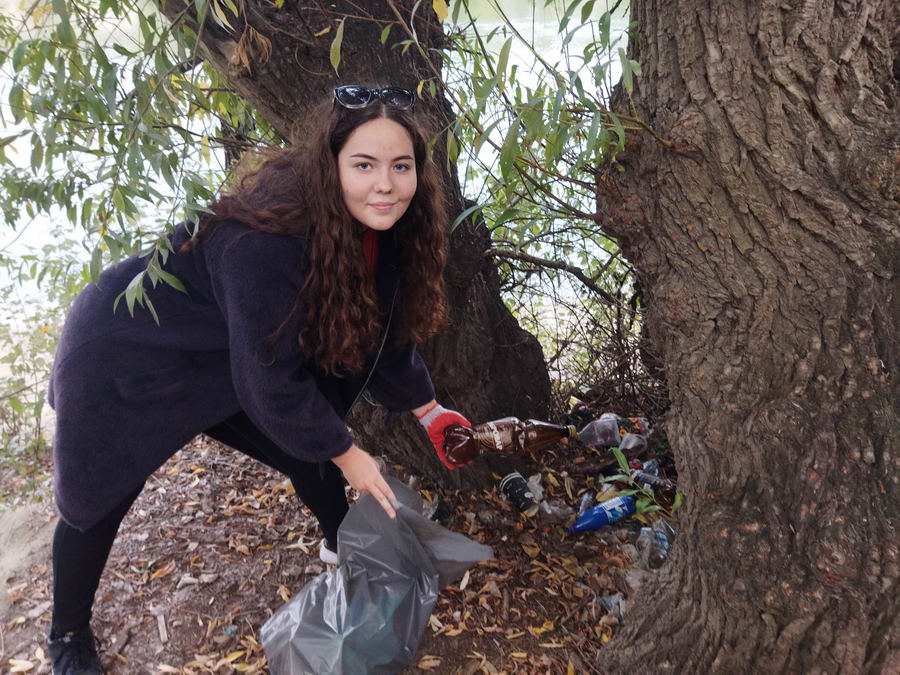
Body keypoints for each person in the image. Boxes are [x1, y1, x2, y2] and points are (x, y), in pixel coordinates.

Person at [44, 85, 474, 674]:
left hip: (227, 353)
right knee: (97, 499)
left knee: (312, 447)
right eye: (364, 165)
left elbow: (383, 331)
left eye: (401, 166)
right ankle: (67, 634)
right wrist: (351, 455)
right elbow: (271, 384)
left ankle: (342, 545)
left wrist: (428, 410)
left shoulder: (384, 225)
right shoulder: (264, 243)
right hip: (128, 352)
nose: (386, 184)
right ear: (330, 163)